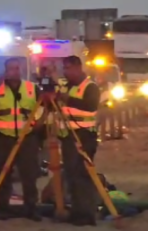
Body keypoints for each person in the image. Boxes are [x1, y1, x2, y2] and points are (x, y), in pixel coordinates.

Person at [0, 58, 42, 221]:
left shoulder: (31, 88)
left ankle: (31, 207)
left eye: (16, 68)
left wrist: (39, 125)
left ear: (20, 69)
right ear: (5, 71)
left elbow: (48, 103)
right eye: (10, 69)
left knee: (29, 173)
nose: (14, 71)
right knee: (2, 173)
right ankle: (4, 208)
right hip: (3, 138)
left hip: (26, 137)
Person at [59, 55, 101, 226]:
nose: (66, 72)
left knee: (82, 175)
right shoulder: (69, 87)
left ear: (78, 67)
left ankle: (86, 213)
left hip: (84, 137)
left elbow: (90, 105)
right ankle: (77, 211)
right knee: (71, 175)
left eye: (68, 68)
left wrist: (65, 98)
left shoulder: (90, 87)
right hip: (69, 136)